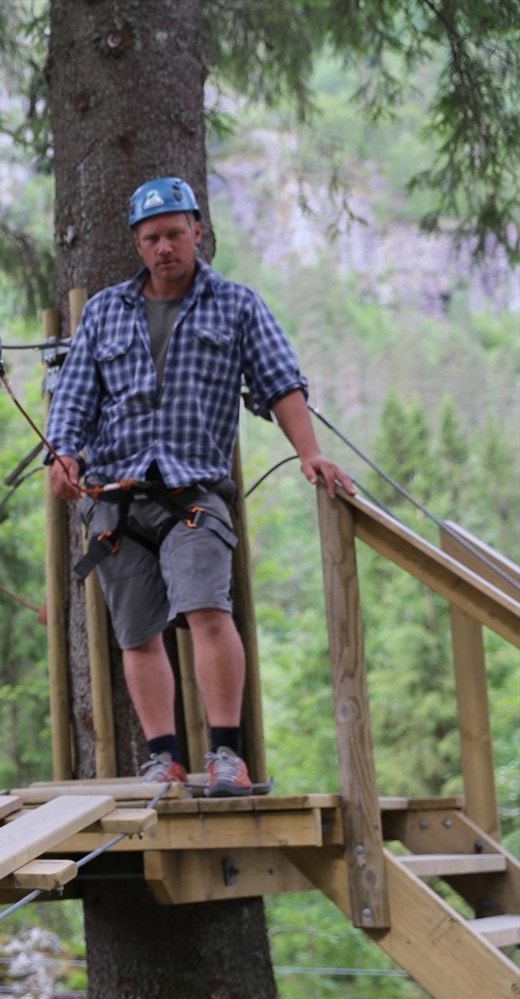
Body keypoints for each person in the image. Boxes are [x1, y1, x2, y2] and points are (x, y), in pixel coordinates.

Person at [45, 176, 354, 796]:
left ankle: (227, 757)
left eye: (176, 234)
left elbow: (281, 384)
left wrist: (311, 454)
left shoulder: (236, 306)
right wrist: (66, 457)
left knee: (208, 610)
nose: (165, 247)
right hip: (115, 499)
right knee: (137, 632)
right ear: (138, 243)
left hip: (194, 495)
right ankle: (165, 758)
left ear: (198, 234)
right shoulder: (106, 310)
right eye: (152, 237)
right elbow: (74, 399)